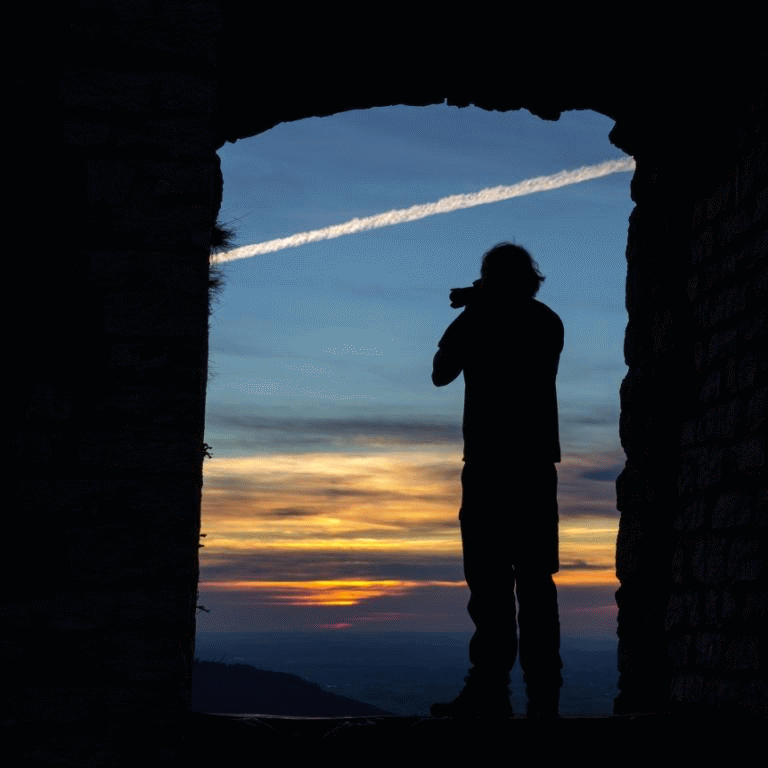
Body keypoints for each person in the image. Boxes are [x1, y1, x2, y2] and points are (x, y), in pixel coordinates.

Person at [430, 242, 564, 718]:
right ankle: (542, 699)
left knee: (490, 584)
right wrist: (482, 304)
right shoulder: (547, 321)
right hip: (533, 468)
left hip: (490, 467)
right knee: (534, 584)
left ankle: (490, 692)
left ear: (489, 279)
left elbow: (440, 372)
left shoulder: (481, 319)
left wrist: (476, 308)